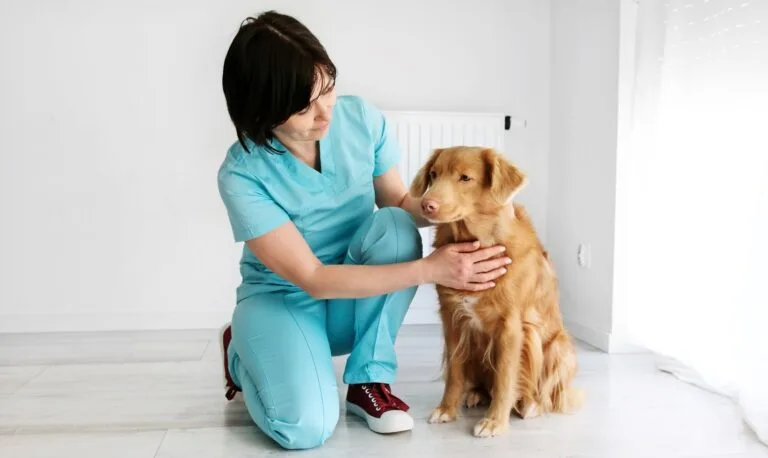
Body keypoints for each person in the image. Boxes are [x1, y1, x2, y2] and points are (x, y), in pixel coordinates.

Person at [216, 10, 512, 450]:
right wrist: (432, 269)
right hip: (286, 299)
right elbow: (313, 278)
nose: (324, 114)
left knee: (393, 225)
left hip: (352, 298)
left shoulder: (360, 119)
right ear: (262, 113)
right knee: (304, 429)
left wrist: (464, 205)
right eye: (303, 106)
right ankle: (243, 355)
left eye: (327, 88)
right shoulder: (242, 174)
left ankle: (368, 381)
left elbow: (397, 202)